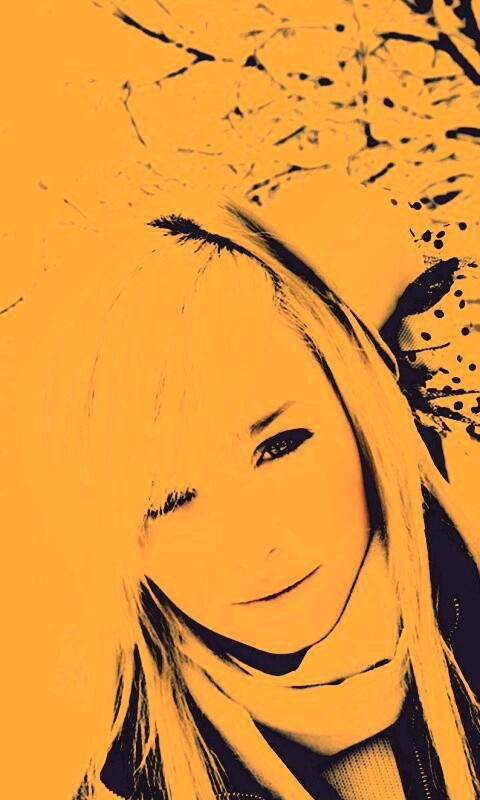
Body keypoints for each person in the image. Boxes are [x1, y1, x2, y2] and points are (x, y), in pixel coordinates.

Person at [9, 173, 479, 800]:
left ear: (358, 407)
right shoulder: (110, 776)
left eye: (279, 446)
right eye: (167, 500)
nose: (250, 544)